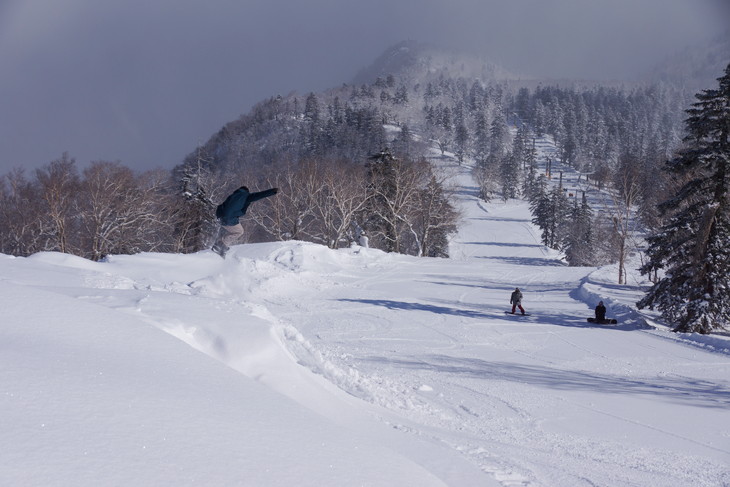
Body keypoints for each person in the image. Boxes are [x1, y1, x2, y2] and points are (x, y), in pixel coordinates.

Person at [212, 185, 278, 256]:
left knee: (226, 227)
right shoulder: (246, 196)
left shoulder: (233, 195)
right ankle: (222, 244)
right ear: (247, 191)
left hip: (219, 215)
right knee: (239, 231)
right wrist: (272, 191)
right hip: (229, 217)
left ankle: (218, 245)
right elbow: (258, 195)